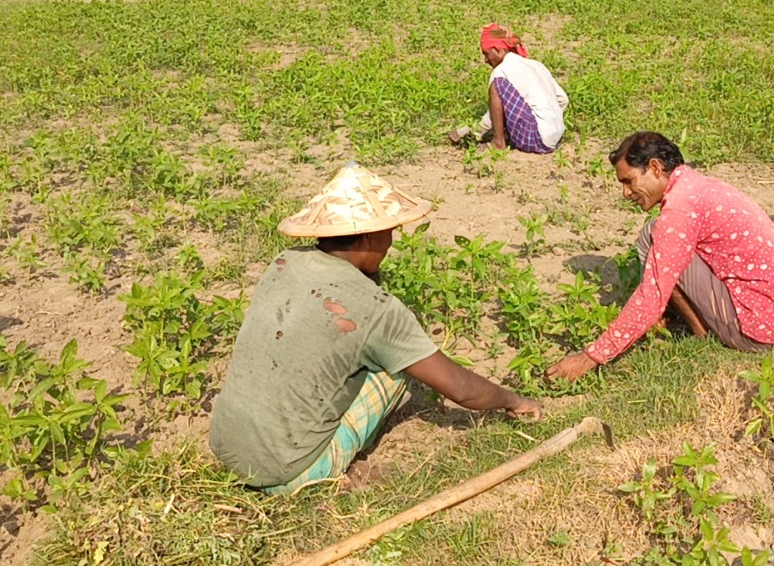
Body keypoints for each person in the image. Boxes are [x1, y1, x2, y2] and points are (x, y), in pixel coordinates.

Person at [209, 163, 541, 493]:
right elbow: (460, 388)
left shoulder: (286, 261)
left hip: (226, 449)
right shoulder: (377, 310)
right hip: (289, 476)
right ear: (369, 234)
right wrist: (514, 401)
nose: (391, 242)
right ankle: (329, 467)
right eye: (389, 232)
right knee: (397, 364)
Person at [546, 132, 774, 382]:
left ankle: (701, 334)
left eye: (628, 181)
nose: (626, 193)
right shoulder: (698, 187)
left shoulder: (681, 208)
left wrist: (590, 357)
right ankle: (692, 324)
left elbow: (652, 295)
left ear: (655, 168)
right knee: (657, 233)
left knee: (653, 237)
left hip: (755, 331)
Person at [450, 24, 569, 154]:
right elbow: (563, 100)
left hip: (537, 139)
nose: (485, 60)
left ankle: (498, 142)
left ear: (498, 50)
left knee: (497, 85)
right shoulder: (536, 65)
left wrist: (466, 132)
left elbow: (490, 119)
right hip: (555, 137)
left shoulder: (501, 71)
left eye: (486, 54)